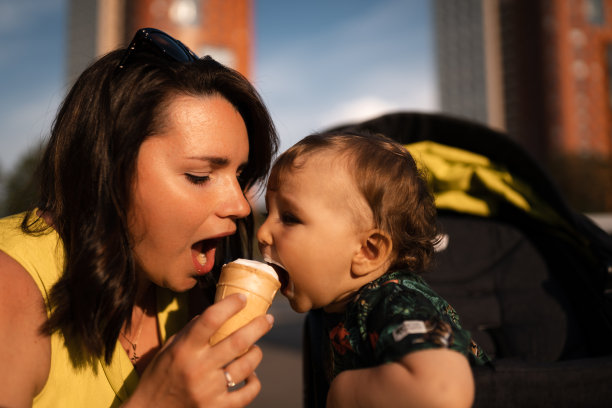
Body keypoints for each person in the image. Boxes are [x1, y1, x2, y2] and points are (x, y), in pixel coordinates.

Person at [0, 28, 279, 407]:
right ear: (109, 167)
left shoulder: (190, 299)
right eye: (200, 176)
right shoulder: (10, 289)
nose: (242, 207)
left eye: (240, 176)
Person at [257, 131, 490, 408]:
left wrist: (343, 393)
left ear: (368, 252)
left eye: (289, 217)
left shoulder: (393, 301)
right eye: (267, 214)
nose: (262, 233)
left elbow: (441, 391)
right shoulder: (337, 307)